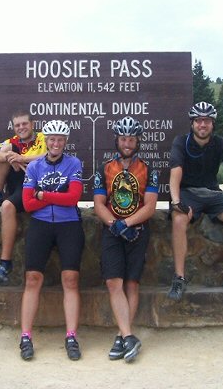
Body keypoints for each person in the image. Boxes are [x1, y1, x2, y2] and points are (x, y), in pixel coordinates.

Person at [167, 101, 223, 302]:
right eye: (198, 120)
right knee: (179, 220)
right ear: (192, 123)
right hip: (188, 193)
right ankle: (179, 278)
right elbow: (176, 170)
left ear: (213, 123)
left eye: (207, 120)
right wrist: (176, 201)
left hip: (213, 194)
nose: (202, 124)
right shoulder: (181, 142)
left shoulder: (220, 143)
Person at [93, 116, 158, 363]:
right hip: (112, 230)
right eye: (123, 139)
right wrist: (115, 224)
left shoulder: (149, 169)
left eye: (131, 139)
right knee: (113, 282)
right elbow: (99, 204)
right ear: (117, 140)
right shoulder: (104, 168)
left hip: (137, 231)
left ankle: (122, 336)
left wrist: (128, 223)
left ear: (138, 141)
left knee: (131, 283)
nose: (127, 144)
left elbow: (150, 206)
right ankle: (130, 336)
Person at [18, 120, 84, 361]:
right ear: (46, 141)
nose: (56, 143)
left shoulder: (74, 163)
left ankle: (71, 336)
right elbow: (27, 204)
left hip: (69, 224)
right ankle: (25, 336)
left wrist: (42, 194)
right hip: (41, 224)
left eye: (60, 140)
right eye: (52, 139)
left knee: (71, 279)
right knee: (32, 279)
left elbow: (73, 198)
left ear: (66, 142)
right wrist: (56, 196)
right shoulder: (34, 166)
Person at [0, 110, 47, 285]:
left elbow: (50, 155)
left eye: (24, 124)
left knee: (8, 205)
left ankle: (5, 263)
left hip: (38, 183)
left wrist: (23, 158)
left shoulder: (43, 137)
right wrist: (9, 157)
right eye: (17, 125)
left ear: (32, 124)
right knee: (6, 150)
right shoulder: (12, 142)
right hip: (19, 184)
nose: (21, 127)